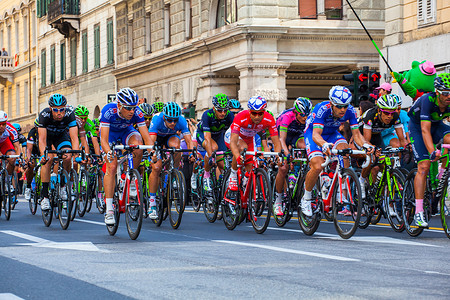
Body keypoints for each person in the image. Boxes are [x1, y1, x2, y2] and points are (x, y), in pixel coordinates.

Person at [301, 86, 373, 216]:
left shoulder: (350, 111)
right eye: (339, 106)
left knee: (345, 152)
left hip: (332, 134)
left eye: (345, 106)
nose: (343, 110)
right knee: (317, 166)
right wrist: (323, 145)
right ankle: (306, 198)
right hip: (314, 134)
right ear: (331, 104)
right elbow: (316, 135)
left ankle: (340, 189)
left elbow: (356, 135)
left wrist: (366, 146)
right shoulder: (322, 109)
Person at [225, 96, 287, 216]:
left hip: (249, 139)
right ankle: (233, 174)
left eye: (260, 113)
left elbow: (276, 141)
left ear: (264, 111)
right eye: (254, 113)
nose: (257, 117)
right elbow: (233, 142)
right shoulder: (241, 117)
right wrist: (238, 157)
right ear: (249, 111)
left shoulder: (269, 119)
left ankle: (246, 193)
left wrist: (278, 156)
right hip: (234, 137)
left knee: (251, 167)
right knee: (241, 149)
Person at [100, 87, 152, 225]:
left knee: (138, 145)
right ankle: (109, 209)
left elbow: (147, 138)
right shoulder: (108, 111)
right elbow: (104, 140)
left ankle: (130, 177)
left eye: (134, 108)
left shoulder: (137, 112)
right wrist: (108, 152)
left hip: (126, 132)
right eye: (128, 108)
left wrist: (153, 152)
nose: (132, 111)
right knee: (111, 166)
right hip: (110, 135)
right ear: (119, 105)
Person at [408, 73, 450, 227]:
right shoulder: (428, 100)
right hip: (418, 127)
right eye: (445, 93)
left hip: (437, 125)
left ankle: (441, 177)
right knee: (424, 166)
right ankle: (418, 212)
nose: (448, 96)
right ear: (437, 92)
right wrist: (432, 151)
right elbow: (425, 130)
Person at [147, 102, 194, 219]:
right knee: (156, 168)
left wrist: (192, 153)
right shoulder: (157, 119)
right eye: (169, 120)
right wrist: (152, 153)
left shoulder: (182, 121)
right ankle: (152, 203)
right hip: (156, 139)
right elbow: (151, 141)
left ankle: (173, 172)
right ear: (164, 117)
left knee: (176, 146)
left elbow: (189, 140)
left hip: (170, 138)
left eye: (175, 120)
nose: (173, 123)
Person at [357, 94, 408, 201]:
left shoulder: (394, 117)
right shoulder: (371, 116)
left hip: (377, 136)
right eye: (386, 113)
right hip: (361, 136)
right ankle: (361, 180)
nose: (389, 116)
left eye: (392, 113)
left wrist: (408, 148)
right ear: (379, 111)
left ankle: (381, 183)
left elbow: (402, 140)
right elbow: (367, 141)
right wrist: (373, 149)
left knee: (387, 162)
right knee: (371, 157)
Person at [37, 94, 80, 211]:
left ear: (65, 108)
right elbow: (41, 139)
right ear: (51, 109)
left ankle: (63, 186)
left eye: (62, 109)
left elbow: (74, 137)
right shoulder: (44, 115)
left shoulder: (70, 114)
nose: (59, 112)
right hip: (48, 138)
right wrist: (42, 155)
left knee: (67, 156)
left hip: (61, 137)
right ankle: (45, 196)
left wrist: (76, 155)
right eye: (56, 110)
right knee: (48, 159)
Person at [196, 94, 234, 200]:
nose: (223, 113)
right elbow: (207, 138)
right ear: (214, 108)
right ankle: (206, 176)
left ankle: (221, 187)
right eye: (220, 110)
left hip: (218, 136)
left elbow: (234, 134)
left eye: (225, 110)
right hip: (203, 134)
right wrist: (210, 156)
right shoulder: (207, 115)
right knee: (213, 148)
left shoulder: (230, 115)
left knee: (222, 165)